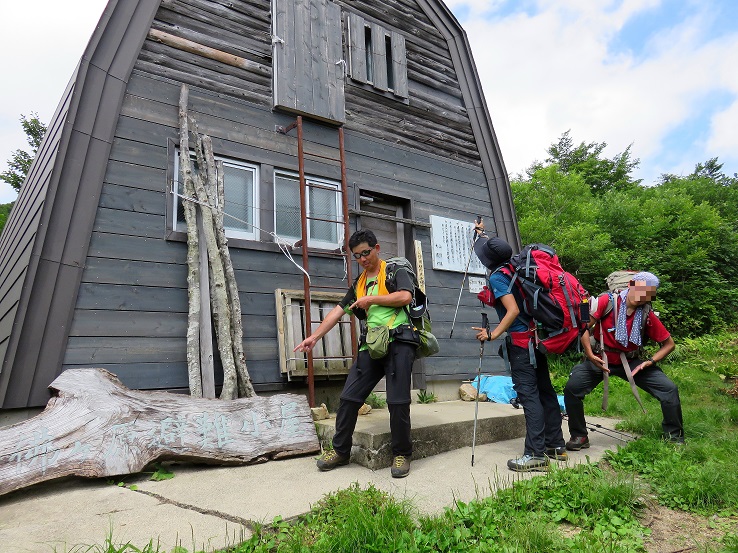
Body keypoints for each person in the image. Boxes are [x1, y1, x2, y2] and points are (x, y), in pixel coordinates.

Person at [294, 229, 418, 478]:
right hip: (371, 346)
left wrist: (371, 301)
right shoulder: (359, 284)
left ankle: (401, 454)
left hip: (399, 341)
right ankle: (340, 451)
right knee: (349, 398)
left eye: (366, 252)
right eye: (357, 256)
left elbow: (405, 296)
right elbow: (338, 311)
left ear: (377, 248)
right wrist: (314, 337)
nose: (362, 259)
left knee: (397, 401)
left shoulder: (393, 271)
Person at [471, 224, 566, 472]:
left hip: (522, 344)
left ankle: (535, 454)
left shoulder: (498, 276)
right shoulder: (518, 267)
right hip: (537, 340)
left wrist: (492, 334)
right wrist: (480, 233)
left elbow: (512, 310)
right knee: (545, 391)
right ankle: (556, 445)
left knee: (529, 395)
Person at [564, 271, 684, 450]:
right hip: (601, 358)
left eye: (648, 293)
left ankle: (674, 438)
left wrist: (650, 361)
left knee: (669, 389)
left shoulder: (646, 313)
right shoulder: (608, 302)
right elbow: (583, 328)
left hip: (632, 361)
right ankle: (579, 436)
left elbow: (669, 344)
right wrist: (589, 354)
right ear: (631, 285)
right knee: (572, 389)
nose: (642, 296)